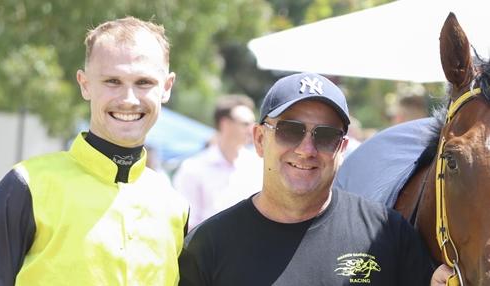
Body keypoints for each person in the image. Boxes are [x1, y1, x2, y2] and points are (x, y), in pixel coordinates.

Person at [178, 72, 444, 285]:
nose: (306, 149)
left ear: (341, 148)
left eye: (326, 136)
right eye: (290, 130)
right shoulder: (209, 245)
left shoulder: (388, 233)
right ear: (259, 139)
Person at [0, 16, 189, 285]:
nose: (128, 99)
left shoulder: (174, 205)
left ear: (167, 87)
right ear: (85, 84)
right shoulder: (26, 186)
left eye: (144, 82)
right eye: (113, 81)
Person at [173, 95, 263, 229]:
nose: (252, 130)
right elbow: (186, 222)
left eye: (253, 124)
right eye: (245, 124)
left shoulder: (257, 166)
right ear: (224, 124)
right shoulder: (193, 168)